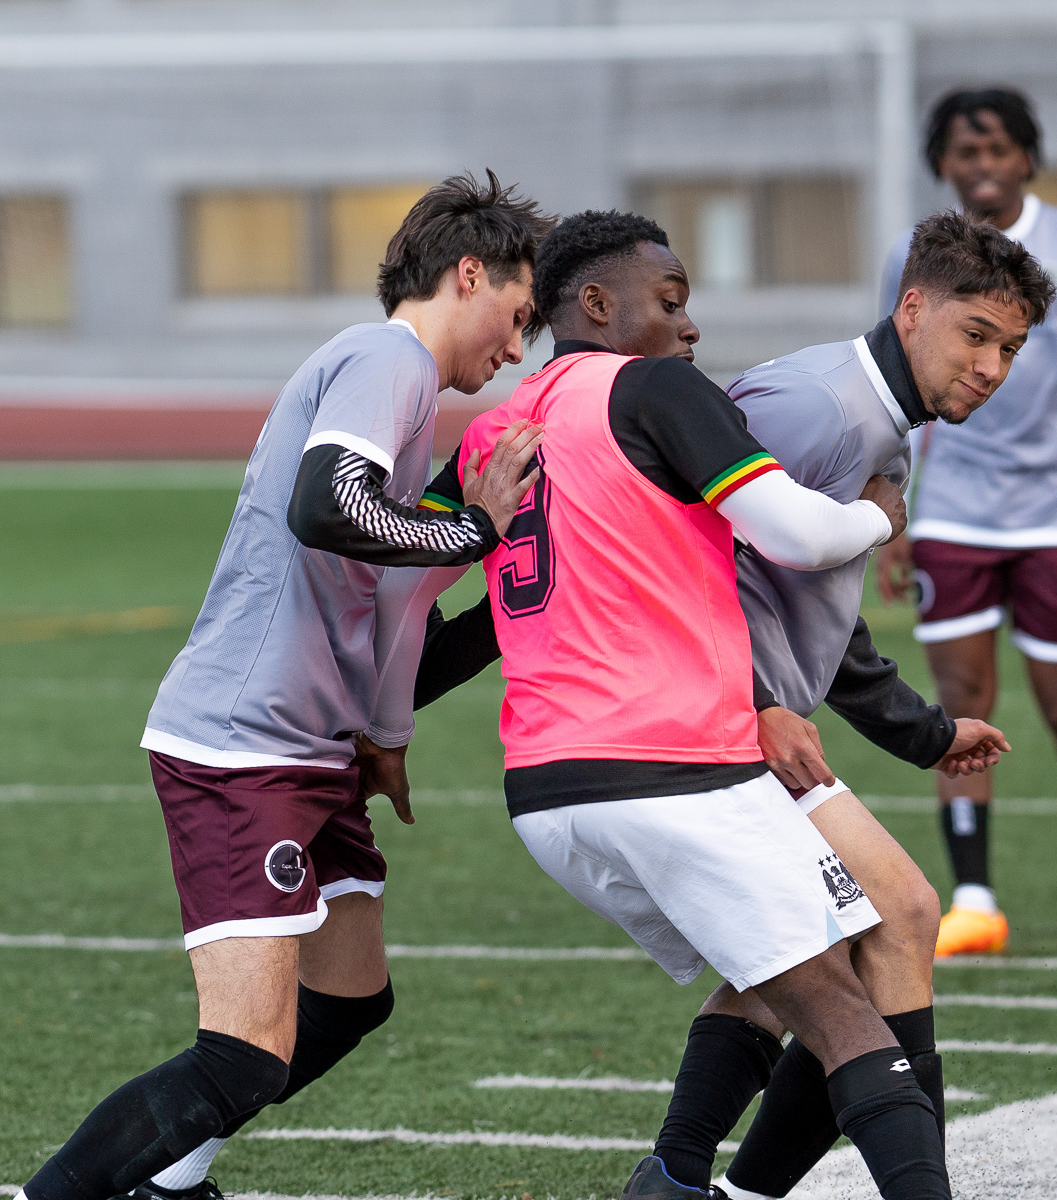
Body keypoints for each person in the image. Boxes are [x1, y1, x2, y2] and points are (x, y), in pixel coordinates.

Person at [11, 173, 553, 1200]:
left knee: (350, 1000)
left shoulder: (408, 406)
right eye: (518, 318)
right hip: (242, 744)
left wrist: (522, 594)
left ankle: (173, 1182)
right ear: (467, 274)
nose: (518, 349)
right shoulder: (383, 357)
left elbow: (398, 629)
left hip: (313, 752)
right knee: (246, 1054)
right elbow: (324, 505)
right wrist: (477, 529)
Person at [414, 210, 957, 1200]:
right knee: (846, 1003)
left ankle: (673, 1178)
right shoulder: (654, 387)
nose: (690, 329)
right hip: (673, 769)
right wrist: (880, 515)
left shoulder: (496, 430)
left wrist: (370, 727)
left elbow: (445, 634)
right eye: (670, 303)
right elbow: (795, 533)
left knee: (777, 974)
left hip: (547, 795)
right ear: (596, 305)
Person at [875, 86, 1057, 955]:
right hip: (956, 512)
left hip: (1055, 519)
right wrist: (891, 511)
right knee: (959, 703)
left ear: (1027, 159)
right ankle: (974, 896)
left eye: (998, 150)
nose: (982, 167)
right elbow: (894, 386)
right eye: (965, 154)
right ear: (943, 165)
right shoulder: (914, 254)